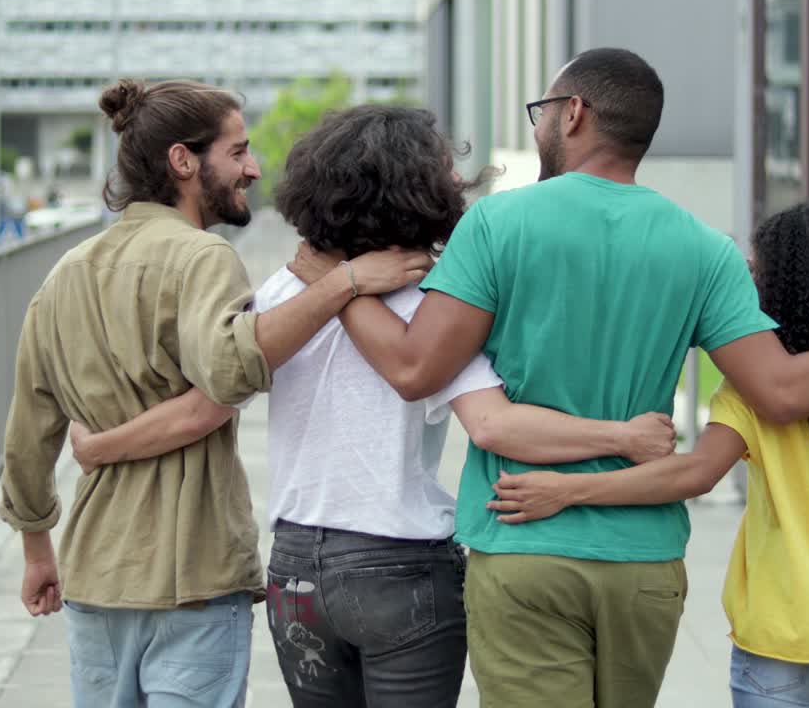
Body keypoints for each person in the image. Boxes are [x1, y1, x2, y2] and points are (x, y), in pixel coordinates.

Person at [285, 48, 809, 708]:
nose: (539, 126)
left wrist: (337, 282)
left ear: (573, 113)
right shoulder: (705, 249)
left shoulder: (498, 223)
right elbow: (783, 391)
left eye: (542, 111)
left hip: (524, 548)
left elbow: (413, 367)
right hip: (644, 564)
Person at [68, 104, 678, 708]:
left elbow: (207, 405)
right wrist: (622, 437)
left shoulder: (285, 290)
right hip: (401, 561)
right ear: (421, 190)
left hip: (296, 570)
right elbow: (493, 424)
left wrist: (99, 446)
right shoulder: (436, 306)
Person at [0, 80, 429, 708]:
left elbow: (28, 430)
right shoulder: (203, 258)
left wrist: (38, 549)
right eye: (238, 151)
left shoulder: (65, 273)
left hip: (95, 573)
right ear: (183, 160)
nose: (252, 168)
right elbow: (229, 373)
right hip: (191, 573)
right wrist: (347, 281)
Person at [485, 202, 809, 708]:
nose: (748, 286)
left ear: (787, 292)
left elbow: (696, 474)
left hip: (780, 648)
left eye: (757, 274)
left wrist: (567, 490)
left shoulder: (755, 393)